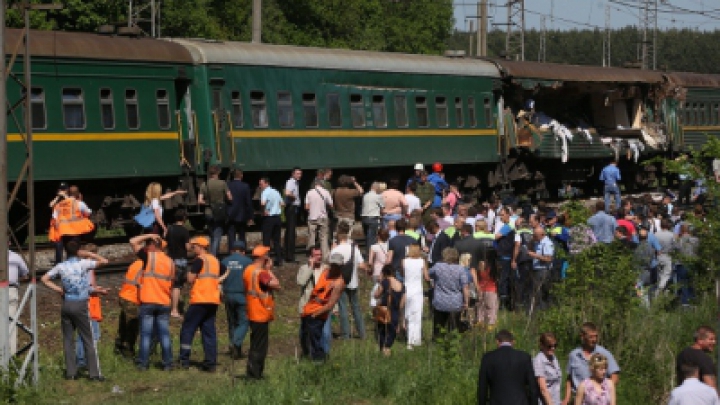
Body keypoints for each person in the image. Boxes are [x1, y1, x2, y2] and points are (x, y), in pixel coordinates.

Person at [41, 242, 108, 381]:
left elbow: (44, 279)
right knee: (88, 338)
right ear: (79, 251)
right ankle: (94, 374)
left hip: (66, 304)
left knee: (67, 339)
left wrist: (59, 289)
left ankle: (71, 373)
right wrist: (89, 254)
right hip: (81, 304)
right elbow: (104, 261)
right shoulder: (83, 264)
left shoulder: (61, 266)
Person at [179, 236, 227, 372]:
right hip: (213, 300)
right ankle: (210, 363)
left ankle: (184, 360)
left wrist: (187, 273)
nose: (193, 249)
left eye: (194, 247)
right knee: (209, 331)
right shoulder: (215, 260)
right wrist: (218, 282)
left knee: (188, 329)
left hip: (200, 299)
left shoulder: (199, 260)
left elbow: (190, 279)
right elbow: (225, 271)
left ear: (200, 247)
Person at [130, 234, 175, 371]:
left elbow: (132, 241)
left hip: (149, 300)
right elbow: (172, 285)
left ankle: (143, 364)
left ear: (153, 246)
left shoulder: (149, 257)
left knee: (146, 334)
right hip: (164, 302)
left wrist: (149, 235)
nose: (145, 248)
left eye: (147, 245)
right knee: (164, 334)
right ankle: (168, 364)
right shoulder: (170, 262)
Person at [244, 245, 281, 380]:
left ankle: (252, 373)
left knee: (255, 343)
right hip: (261, 312)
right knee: (260, 347)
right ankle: (255, 375)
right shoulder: (261, 272)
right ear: (264, 258)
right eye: (268, 255)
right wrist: (269, 270)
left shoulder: (248, 269)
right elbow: (277, 285)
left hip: (252, 311)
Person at [300, 253, 346, 361]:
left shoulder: (339, 283)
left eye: (337, 265)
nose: (334, 267)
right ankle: (308, 358)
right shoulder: (326, 272)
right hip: (308, 309)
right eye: (333, 264)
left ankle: (319, 363)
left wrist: (315, 315)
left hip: (317, 314)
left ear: (341, 266)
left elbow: (330, 304)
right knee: (305, 337)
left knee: (317, 340)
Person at [478, 329, 540, 405]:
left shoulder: (488, 358)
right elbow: (532, 386)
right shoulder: (524, 357)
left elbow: (482, 388)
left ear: (497, 342)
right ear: (513, 342)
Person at [563, 322, 620, 405]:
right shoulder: (574, 355)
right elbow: (569, 378)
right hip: (578, 399)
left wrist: (602, 391)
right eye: (591, 337)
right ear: (582, 336)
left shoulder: (604, 353)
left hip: (598, 400)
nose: (594, 340)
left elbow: (614, 376)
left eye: (596, 336)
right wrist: (567, 398)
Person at [331, 221, 367, 340]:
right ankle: (362, 333)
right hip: (353, 281)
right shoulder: (354, 248)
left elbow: (332, 266)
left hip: (340, 281)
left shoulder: (336, 250)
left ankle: (345, 334)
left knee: (343, 307)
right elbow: (362, 265)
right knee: (356, 307)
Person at [426, 247, 468, 340]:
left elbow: (427, 274)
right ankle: (453, 342)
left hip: (440, 301)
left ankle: (437, 340)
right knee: (454, 326)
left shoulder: (438, 266)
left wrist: (431, 284)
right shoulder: (460, 269)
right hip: (455, 302)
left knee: (438, 326)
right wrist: (466, 302)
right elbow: (465, 287)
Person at [297, 246, 332, 354]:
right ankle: (307, 352)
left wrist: (334, 307)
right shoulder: (304, 268)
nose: (319, 257)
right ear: (310, 257)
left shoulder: (326, 269)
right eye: (316, 255)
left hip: (323, 306)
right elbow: (301, 282)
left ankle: (323, 355)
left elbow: (332, 288)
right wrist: (310, 267)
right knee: (304, 333)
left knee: (325, 333)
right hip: (307, 306)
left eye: (320, 255)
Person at [222, 241, 253, 359]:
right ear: (243, 252)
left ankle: (234, 348)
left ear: (231, 251)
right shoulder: (248, 262)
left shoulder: (224, 261)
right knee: (244, 321)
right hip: (242, 295)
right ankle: (235, 342)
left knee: (232, 322)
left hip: (228, 295)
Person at [51, 185, 94, 264]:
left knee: (68, 250)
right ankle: (73, 266)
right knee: (74, 251)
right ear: (78, 194)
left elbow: (54, 216)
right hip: (75, 232)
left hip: (63, 232)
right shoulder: (79, 203)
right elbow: (88, 212)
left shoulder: (59, 204)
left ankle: (67, 266)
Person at [198, 166, 232, 256]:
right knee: (217, 236)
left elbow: (200, 201)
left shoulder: (204, 184)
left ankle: (211, 252)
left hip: (208, 212)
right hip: (219, 212)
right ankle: (213, 256)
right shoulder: (222, 183)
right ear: (218, 173)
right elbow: (230, 197)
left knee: (212, 235)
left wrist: (208, 202)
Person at [373, 264, 405, 356]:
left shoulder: (385, 282)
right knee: (392, 332)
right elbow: (402, 304)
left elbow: (376, 295)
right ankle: (387, 348)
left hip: (384, 310)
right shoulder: (402, 285)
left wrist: (379, 283)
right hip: (395, 311)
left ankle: (383, 349)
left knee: (381, 331)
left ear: (384, 273)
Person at [114, 259, 143, 359]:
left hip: (125, 295)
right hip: (132, 298)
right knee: (132, 327)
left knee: (123, 325)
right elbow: (141, 285)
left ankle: (118, 347)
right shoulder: (146, 265)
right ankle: (128, 352)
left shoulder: (136, 262)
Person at [165, 209, 190, 318]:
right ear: (184, 218)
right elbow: (187, 247)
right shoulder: (184, 231)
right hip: (180, 259)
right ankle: (174, 310)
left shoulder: (169, 229)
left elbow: (165, 244)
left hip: (170, 259)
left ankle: (167, 305)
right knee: (177, 286)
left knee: (169, 284)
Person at [402, 245, 426, 349]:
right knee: (417, 314)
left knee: (408, 313)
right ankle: (415, 339)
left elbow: (404, 274)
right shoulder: (422, 261)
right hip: (417, 290)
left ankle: (409, 338)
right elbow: (426, 276)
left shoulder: (404, 261)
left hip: (407, 288)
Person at [7, 249, 29, 356]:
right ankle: (11, 354)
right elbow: (25, 274)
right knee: (11, 322)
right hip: (11, 290)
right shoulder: (16, 257)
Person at [258, 177, 284, 266]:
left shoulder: (265, 192)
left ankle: (266, 260)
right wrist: (276, 207)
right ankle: (279, 259)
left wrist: (263, 211)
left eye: (261, 184)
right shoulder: (276, 191)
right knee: (276, 240)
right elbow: (282, 203)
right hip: (277, 217)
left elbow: (262, 203)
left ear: (266, 183)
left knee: (266, 240)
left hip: (268, 218)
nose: (260, 186)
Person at [528, 226, 555, 312]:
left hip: (543, 271)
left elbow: (549, 258)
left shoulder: (547, 243)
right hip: (537, 270)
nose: (534, 237)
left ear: (542, 235)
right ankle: (539, 311)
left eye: (535, 236)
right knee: (537, 293)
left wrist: (535, 255)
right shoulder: (538, 242)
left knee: (541, 293)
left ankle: (544, 311)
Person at [227, 168, 254, 253]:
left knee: (231, 235)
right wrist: (250, 216)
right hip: (242, 215)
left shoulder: (228, 185)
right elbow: (248, 202)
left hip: (230, 214)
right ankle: (242, 252)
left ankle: (231, 252)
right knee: (242, 235)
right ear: (241, 175)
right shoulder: (245, 186)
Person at [306, 179, 333, 260]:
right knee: (324, 237)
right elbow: (331, 205)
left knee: (312, 236)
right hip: (323, 217)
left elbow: (306, 207)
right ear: (322, 184)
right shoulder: (326, 192)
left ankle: (312, 254)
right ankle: (325, 257)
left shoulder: (309, 192)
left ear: (315, 184)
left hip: (312, 218)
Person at [494, 207, 515, 309]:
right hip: (505, 255)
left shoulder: (508, 226)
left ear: (508, 214)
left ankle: (503, 304)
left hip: (505, 256)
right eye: (500, 215)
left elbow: (496, 237)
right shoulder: (507, 225)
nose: (500, 217)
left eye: (502, 215)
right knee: (504, 279)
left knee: (503, 279)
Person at [535, 332, 562, 405]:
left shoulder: (553, 358)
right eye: (549, 346)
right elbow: (543, 389)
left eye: (555, 345)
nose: (553, 348)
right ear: (542, 346)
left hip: (556, 401)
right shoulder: (539, 361)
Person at [283, 167, 302, 263]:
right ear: (293, 174)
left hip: (293, 208)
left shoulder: (295, 182)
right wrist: (294, 197)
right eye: (297, 173)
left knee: (290, 231)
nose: (299, 175)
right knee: (291, 232)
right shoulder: (291, 182)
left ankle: (288, 254)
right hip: (291, 207)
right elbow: (287, 192)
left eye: (300, 174)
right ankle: (290, 256)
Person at [361, 182, 384, 250]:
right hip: (373, 219)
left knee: (367, 237)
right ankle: (370, 255)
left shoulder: (365, 195)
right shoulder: (378, 196)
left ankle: (367, 252)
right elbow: (382, 208)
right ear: (376, 188)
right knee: (372, 238)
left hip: (364, 218)